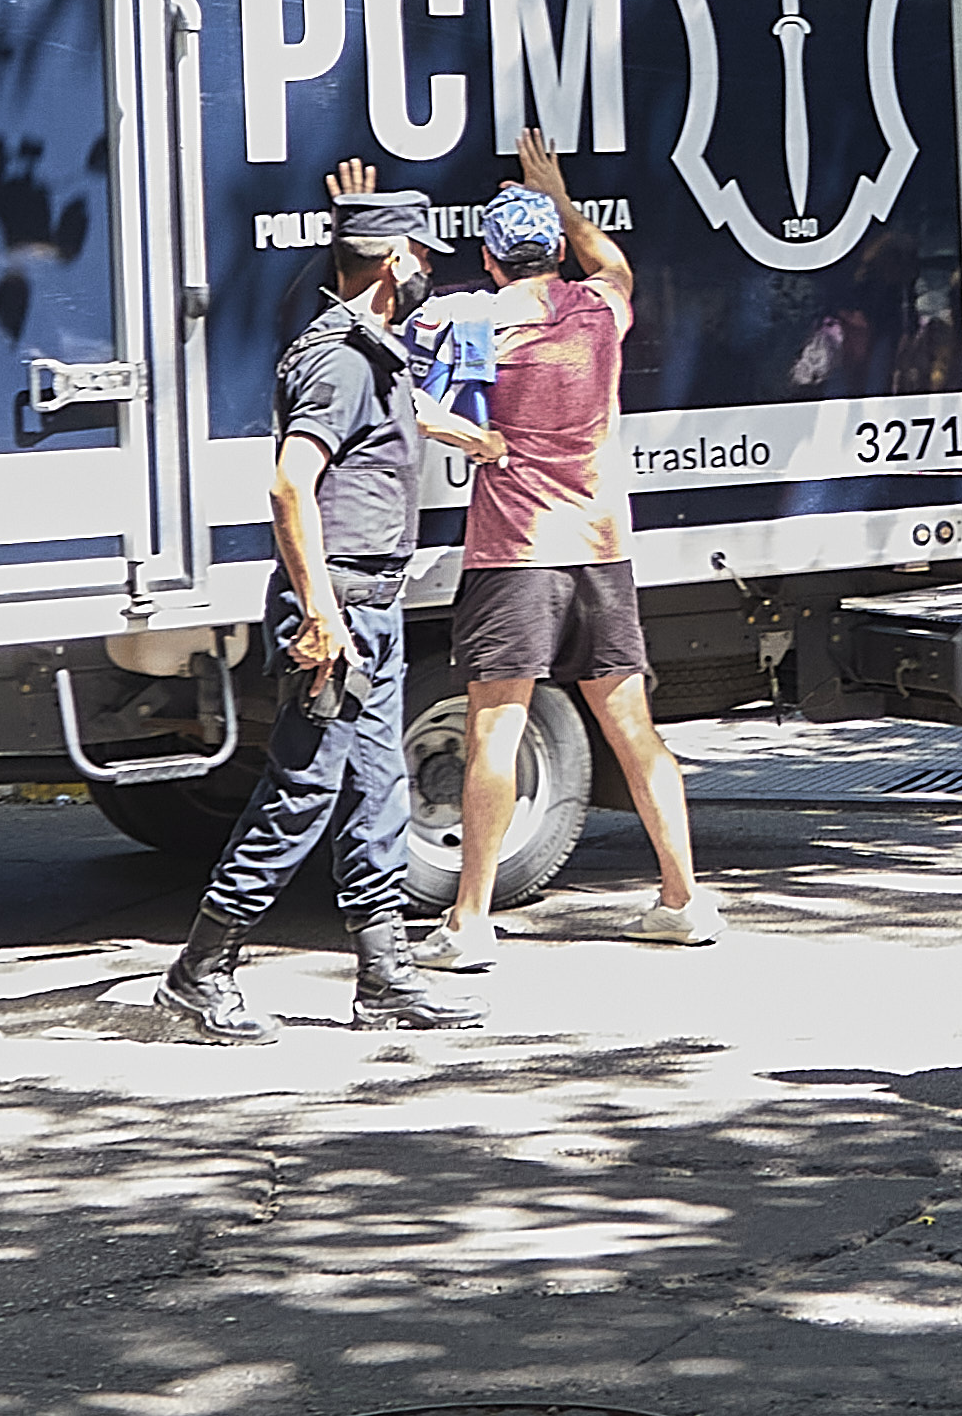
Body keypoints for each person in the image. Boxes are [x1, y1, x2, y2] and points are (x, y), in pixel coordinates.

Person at [136, 175, 474, 1038]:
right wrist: (321, 616)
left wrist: (459, 430)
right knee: (305, 789)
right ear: (395, 260)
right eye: (425, 251)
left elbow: (387, 415)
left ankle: (386, 981)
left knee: (377, 791)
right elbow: (291, 487)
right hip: (341, 609)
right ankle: (198, 972)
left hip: (373, 604)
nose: (432, 264)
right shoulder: (340, 356)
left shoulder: (371, 349)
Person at [429, 126, 720, 959]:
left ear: (489, 261)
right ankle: (683, 900)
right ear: (554, 249)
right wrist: (556, 192)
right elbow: (612, 263)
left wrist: (473, 439)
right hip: (599, 550)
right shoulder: (599, 312)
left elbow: (420, 403)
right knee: (633, 727)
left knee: (495, 733)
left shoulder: (478, 322)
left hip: (514, 553)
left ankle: (470, 922)